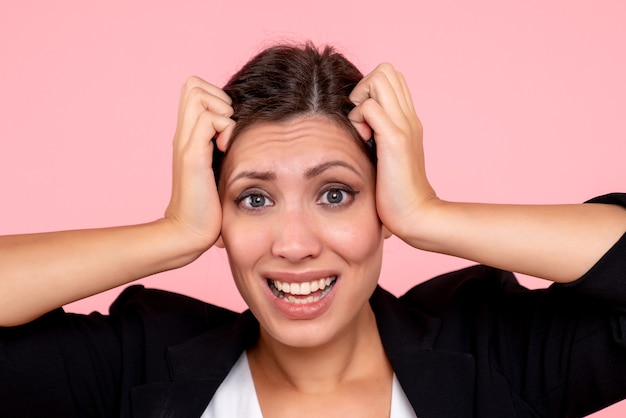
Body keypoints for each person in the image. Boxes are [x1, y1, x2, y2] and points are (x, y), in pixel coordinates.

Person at [0, 42, 625, 418]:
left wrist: (429, 215)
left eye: (335, 194)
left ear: (383, 202)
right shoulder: (137, 369)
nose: (293, 245)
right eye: (253, 199)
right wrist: (172, 232)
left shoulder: (496, 360)